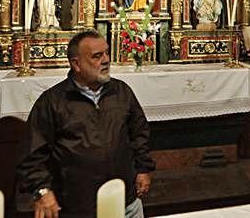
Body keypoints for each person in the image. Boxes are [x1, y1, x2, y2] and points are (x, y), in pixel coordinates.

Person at [17, 30, 155, 218]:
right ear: (76, 64)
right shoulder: (53, 101)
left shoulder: (121, 92)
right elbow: (33, 153)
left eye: (107, 53)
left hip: (125, 202)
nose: (106, 60)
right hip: (78, 206)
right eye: (97, 56)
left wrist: (143, 168)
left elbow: (139, 133)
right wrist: (42, 190)